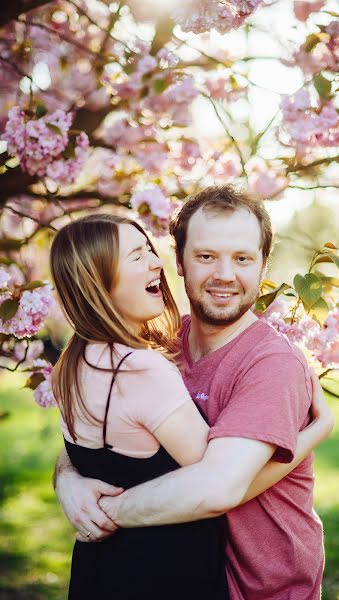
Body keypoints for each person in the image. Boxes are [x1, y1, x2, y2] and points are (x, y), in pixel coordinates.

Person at [54, 186, 334, 600]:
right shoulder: (160, 342)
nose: (224, 274)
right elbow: (106, 429)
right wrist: (69, 479)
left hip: (259, 588)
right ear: (180, 262)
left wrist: (105, 512)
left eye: (242, 258)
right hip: (176, 575)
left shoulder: (271, 363)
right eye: (206, 256)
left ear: (262, 265)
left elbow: (214, 486)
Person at [50, 214, 230, 599]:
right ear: (99, 283)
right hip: (166, 575)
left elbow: (81, 454)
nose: (156, 262)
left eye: (148, 248)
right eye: (136, 255)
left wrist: (66, 479)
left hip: (99, 572)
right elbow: (219, 481)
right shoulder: (138, 369)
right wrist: (315, 431)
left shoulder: (71, 363)